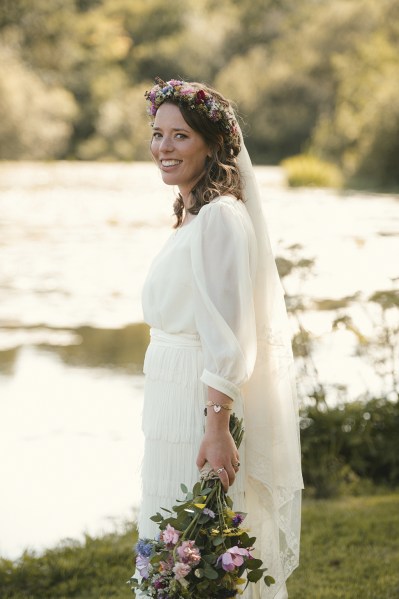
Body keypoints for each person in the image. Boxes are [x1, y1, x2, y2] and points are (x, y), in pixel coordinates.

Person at [138, 78, 303, 599]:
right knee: (171, 541)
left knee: (200, 547)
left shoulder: (220, 220)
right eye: (158, 134)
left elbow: (229, 338)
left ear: (212, 143)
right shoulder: (194, 216)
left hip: (197, 403)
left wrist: (216, 427)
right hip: (170, 400)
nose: (164, 148)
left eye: (180, 136)